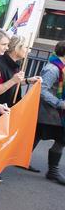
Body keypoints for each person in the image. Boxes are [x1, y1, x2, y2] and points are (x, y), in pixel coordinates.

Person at [36, 39, 65, 185]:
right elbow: (41, 89)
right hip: (49, 112)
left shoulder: (62, 68)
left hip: (55, 113)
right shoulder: (53, 69)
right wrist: (59, 103)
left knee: (60, 139)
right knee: (36, 136)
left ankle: (52, 171)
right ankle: (52, 171)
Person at [0, 36, 38, 108]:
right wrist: (13, 80)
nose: (28, 50)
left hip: (9, 108)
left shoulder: (15, 63)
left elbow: (14, 83)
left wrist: (28, 81)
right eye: (26, 47)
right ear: (17, 48)